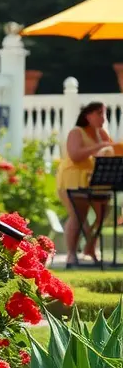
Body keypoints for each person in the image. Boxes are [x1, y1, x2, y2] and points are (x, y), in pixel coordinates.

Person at [55, 102, 116, 265]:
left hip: (94, 180)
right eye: (99, 114)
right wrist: (98, 147)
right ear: (88, 116)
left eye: (104, 114)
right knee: (78, 216)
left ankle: (89, 246)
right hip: (72, 179)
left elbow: (110, 152)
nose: (103, 118)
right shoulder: (77, 132)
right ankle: (71, 254)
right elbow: (74, 155)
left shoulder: (102, 133)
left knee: (104, 212)